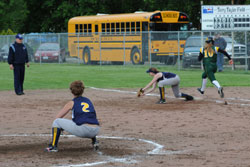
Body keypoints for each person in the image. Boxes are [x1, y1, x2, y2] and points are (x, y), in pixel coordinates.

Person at [45, 80, 100, 152]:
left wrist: (61, 127)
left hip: (83, 131)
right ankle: (95, 142)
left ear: (71, 91)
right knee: (88, 118)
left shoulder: (71, 103)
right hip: (96, 130)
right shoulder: (88, 100)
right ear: (82, 90)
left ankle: (53, 146)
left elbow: (57, 118)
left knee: (57, 122)